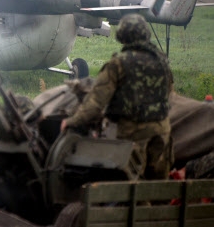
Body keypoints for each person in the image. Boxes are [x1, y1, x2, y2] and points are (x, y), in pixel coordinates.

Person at [60, 13, 174, 180]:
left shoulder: (118, 65)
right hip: (162, 133)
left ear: (122, 35)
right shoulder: (162, 61)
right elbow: (169, 94)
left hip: (133, 136)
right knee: (159, 189)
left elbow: (95, 103)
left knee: (132, 191)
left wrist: (71, 121)